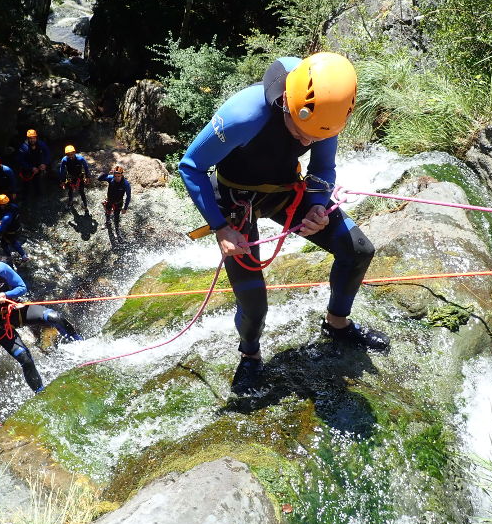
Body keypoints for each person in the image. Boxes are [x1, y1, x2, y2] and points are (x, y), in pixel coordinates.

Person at [178, 52, 388, 396]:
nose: (307, 142)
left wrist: (317, 208)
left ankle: (337, 323)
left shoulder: (326, 108)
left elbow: (322, 170)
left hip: (287, 191)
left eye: (315, 137)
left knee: (358, 249)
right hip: (236, 201)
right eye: (302, 133)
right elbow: (191, 167)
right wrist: (220, 228)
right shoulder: (243, 116)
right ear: (288, 105)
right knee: (254, 300)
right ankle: (250, 355)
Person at [0, 261, 83, 394]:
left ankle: (79, 344)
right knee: (25, 358)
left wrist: (7, 295)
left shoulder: (1, 269)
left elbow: (22, 287)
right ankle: (40, 392)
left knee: (55, 317)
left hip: (15, 308)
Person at [0, 194, 29, 263]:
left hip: (10, 233)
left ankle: (9, 257)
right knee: (14, 242)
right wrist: (3, 222)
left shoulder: (6, 217)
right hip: (17, 228)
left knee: (3, 244)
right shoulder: (14, 206)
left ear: (2, 205)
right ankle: (24, 256)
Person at [98, 165, 131, 240]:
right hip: (109, 200)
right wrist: (107, 172)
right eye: (115, 176)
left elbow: (128, 196)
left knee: (116, 218)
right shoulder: (110, 178)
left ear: (122, 175)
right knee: (107, 212)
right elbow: (99, 178)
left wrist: (125, 208)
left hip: (118, 203)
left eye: (118, 176)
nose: (116, 178)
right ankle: (107, 223)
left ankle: (117, 231)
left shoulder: (126, 184)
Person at [17, 129, 51, 200]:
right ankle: (25, 197)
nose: (32, 140)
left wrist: (44, 163)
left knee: (37, 181)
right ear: (28, 138)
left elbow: (47, 153)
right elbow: (20, 160)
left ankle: (38, 195)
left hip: (38, 166)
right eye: (30, 138)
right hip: (27, 167)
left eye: (34, 138)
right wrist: (30, 168)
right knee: (26, 183)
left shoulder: (41, 144)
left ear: (36, 137)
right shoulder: (24, 148)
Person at [59, 144, 91, 210]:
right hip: (71, 178)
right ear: (66, 154)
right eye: (68, 154)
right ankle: (70, 203)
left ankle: (85, 205)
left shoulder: (80, 159)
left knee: (81, 191)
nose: (70, 156)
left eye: (72, 154)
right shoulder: (64, 160)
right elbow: (62, 171)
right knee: (70, 191)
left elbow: (86, 167)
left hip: (80, 177)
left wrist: (88, 177)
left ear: (74, 152)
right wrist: (62, 181)